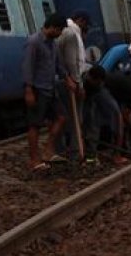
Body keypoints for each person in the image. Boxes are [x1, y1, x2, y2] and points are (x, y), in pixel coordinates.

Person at [22, 13, 73, 171]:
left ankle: (48, 150)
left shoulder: (53, 44)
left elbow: (58, 65)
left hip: (51, 88)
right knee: (35, 125)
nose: (60, 34)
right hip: (37, 89)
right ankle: (34, 160)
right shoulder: (34, 42)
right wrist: (28, 90)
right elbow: (27, 67)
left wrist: (67, 78)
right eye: (60, 30)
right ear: (52, 27)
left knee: (61, 117)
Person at [56, 9, 90, 161]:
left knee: (62, 117)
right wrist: (78, 84)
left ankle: (60, 150)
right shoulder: (71, 34)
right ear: (81, 21)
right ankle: (76, 152)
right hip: (70, 82)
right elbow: (72, 62)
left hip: (61, 80)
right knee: (76, 118)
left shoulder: (64, 32)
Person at [83, 65, 128, 165]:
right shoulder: (84, 80)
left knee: (98, 123)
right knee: (89, 123)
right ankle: (89, 156)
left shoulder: (103, 89)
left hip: (104, 99)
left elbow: (117, 116)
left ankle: (115, 154)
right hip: (87, 97)